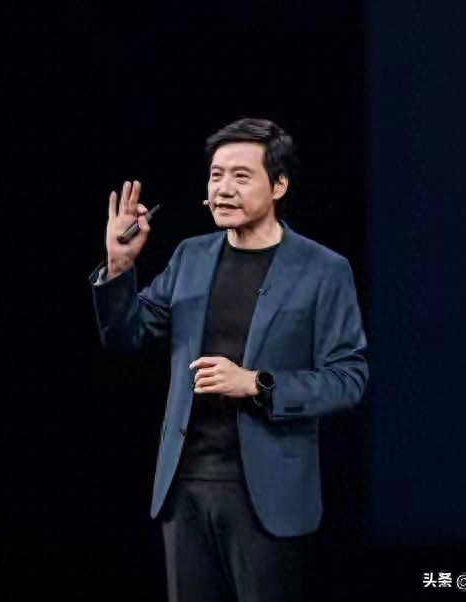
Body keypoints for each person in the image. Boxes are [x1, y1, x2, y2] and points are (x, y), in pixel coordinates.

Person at [89, 117, 368, 601]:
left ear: (278, 185)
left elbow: (348, 379)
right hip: (184, 489)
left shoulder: (323, 269)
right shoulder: (190, 257)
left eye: (241, 176)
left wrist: (257, 383)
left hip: (268, 497)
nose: (223, 189)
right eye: (216, 176)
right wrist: (120, 266)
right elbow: (126, 334)